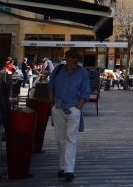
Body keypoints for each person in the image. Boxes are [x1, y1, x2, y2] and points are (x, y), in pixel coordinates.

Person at [48, 49, 90, 182]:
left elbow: (85, 92)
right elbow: (51, 86)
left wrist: (78, 107)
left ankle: (69, 170)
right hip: (58, 107)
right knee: (60, 139)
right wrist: (51, 104)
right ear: (66, 59)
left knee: (70, 138)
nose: (73, 63)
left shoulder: (82, 73)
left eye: (76, 61)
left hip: (73, 108)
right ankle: (62, 166)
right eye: (71, 60)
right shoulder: (58, 70)